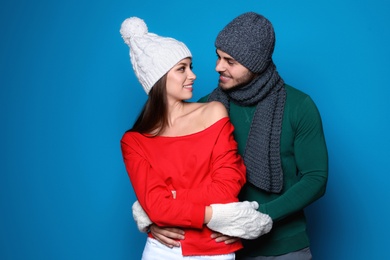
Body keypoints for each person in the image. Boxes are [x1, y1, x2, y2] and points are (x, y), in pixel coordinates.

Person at [142, 12, 329, 259]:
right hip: (216, 248)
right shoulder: (205, 106)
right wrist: (153, 219)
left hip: (283, 247)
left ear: (256, 64)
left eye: (230, 61)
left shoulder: (298, 106)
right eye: (218, 57)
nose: (218, 67)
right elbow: (172, 176)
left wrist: (255, 218)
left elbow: (315, 178)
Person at [119, 17, 272, 259]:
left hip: (215, 248)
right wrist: (217, 215)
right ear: (159, 78)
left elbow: (227, 187)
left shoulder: (213, 112)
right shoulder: (134, 141)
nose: (193, 76)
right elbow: (157, 209)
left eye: (190, 66)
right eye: (182, 69)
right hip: (163, 250)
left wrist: (171, 200)